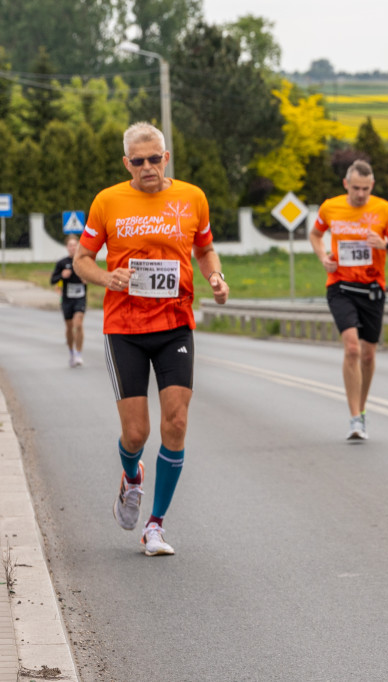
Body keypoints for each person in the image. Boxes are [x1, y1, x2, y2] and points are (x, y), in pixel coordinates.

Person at [73, 121, 229, 557]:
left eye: (154, 159)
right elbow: (82, 258)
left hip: (175, 323)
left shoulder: (191, 197)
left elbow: (204, 247)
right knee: (136, 433)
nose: (147, 167)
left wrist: (215, 275)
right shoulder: (108, 201)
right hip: (124, 327)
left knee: (176, 422)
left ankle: (155, 525)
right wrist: (107, 277)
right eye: (137, 161)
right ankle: (132, 475)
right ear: (127, 163)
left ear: (166, 158)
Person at [309, 159, 388, 441]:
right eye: (356, 188)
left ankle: (361, 410)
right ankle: (354, 418)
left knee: (368, 354)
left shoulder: (384, 209)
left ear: (372, 186)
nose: (361, 194)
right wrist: (322, 257)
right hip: (340, 286)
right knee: (352, 348)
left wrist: (385, 244)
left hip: (372, 290)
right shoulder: (330, 207)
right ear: (346, 185)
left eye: (365, 189)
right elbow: (315, 235)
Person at [51, 234, 87, 367]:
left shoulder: (84, 261)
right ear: (67, 247)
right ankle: (71, 352)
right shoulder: (62, 263)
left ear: (78, 246)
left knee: (78, 324)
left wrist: (86, 278)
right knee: (69, 327)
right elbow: (52, 280)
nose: (73, 247)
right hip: (67, 299)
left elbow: (93, 275)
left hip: (80, 298)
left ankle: (78, 353)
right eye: (70, 245)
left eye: (75, 245)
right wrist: (62, 275)